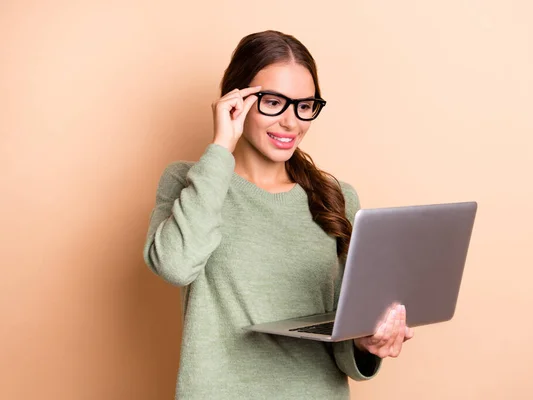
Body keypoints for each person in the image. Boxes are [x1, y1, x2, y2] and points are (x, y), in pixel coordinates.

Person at [143, 30, 414, 400]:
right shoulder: (190, 182)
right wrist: (222, 146)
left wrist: (367, 343)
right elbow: (175, 265)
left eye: (304, 106)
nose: (291, 123)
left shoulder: (336, 198)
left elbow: (341, 339)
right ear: (236, 99)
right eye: (274, 102)